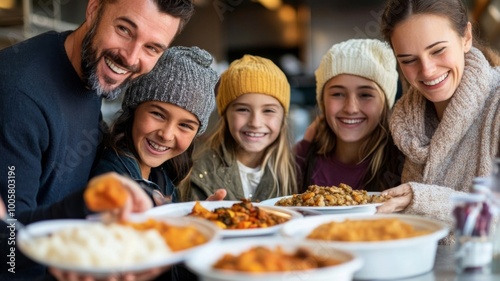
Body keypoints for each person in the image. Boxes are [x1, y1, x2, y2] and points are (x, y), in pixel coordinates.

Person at [0, 0, 195, 279]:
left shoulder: (90, 69)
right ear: (94, 9)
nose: (130, 57)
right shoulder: (19, 96)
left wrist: (160, 209)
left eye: (152, 48)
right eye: (125, 29)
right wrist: (84, 208)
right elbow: (8, 250)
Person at [377, 0, 500, 245]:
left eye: (437, 50)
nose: (428, 70)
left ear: (466, 37)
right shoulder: (407, 121)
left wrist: (423, 200)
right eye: (409, 60)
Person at [90, 46, 218, 206]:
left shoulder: (162, 178)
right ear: (134, 109)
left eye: (185, 125)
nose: (166, 134)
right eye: (158, 114)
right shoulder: (112, 178)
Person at [182, 55, 299, 202]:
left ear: (283, 117)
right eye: (243, 110)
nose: (255, 123)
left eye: (268, 111)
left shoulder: (295, 170)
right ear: (225, 115)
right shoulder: (199, 168)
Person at [295, 39, 403, 192]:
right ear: (322, 101)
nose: (351, 108)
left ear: (385, 104)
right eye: (338, 94)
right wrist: (303, 146)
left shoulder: (402, 164)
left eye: (365, 95)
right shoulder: (303, 158)